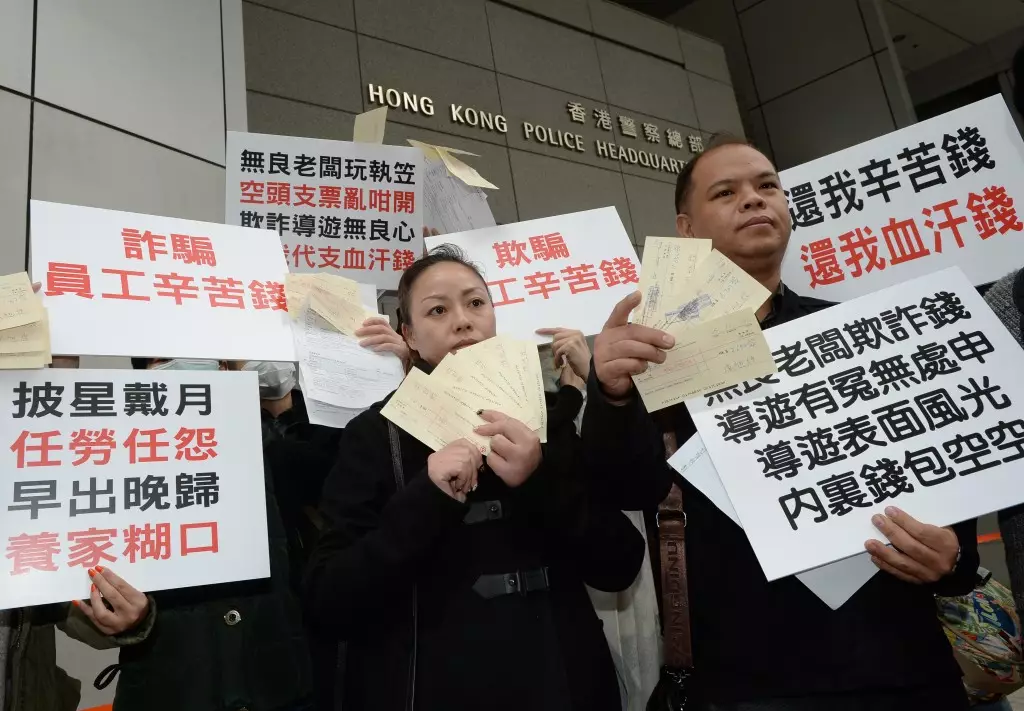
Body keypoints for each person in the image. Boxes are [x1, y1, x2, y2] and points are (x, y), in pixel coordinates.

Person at [583, 135, 980, 711]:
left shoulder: (860, 330)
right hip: (747, 679)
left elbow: (936, 465)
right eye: (726, 192)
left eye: (767, 185)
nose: (754, 199)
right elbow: (624, 488)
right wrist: (611, 393)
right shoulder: (655, 352)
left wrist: (953, 558)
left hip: (900, 664)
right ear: (686, 229)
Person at [304, 245, 647, 711]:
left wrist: (539, 479)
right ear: (409, 334)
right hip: (434, 687)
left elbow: (620, 563)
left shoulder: (546, 417)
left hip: (564, 683)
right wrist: (427, 499)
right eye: (438, 310)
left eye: (475, 303)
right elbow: (328, 598)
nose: (463, 321)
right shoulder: (377, 433)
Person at [106, 357, 313, 711]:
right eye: (167, 357)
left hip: (277, 684)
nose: (194, 366)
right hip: (169, 686)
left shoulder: (268, 443)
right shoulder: (109, 455)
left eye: (216, 360)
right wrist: (127, 617)